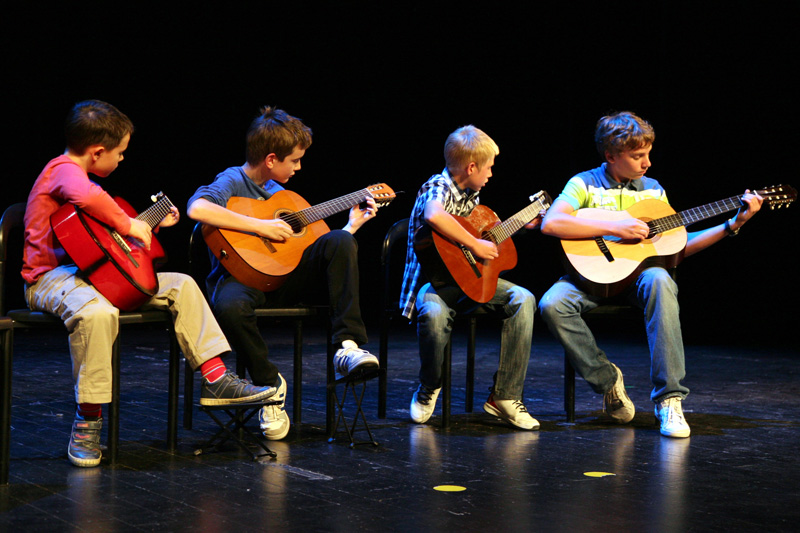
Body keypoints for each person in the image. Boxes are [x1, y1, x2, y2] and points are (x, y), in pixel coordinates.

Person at [22, 100, 275, 467]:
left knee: (181, 285)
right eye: (120, 153)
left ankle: (216, 377)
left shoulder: (81, 182)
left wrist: (148, 225)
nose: (123, 159)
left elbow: (100, 245)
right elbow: (91, 198)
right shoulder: (63, 171)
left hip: (92, 275)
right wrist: (130, 224)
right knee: (98, 313)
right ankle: (88, 420)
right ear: (97, 152)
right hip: (48, 279)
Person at [539, 111, 763, 438]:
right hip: (588, 279)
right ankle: (607, 380)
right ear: (611, 156)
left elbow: (678, 247)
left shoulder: (653, 191)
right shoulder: (583, 183)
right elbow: (552, 223)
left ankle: (669, 398)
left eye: (648, 153)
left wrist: (732, 225)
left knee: (660, 278)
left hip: (638, 279)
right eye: (637, 156)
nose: (647, 163)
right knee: (551, 304)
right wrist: (617, 225)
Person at [187, 106, 379, 442]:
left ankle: (347, 347)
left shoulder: (282, 195)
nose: (299, 167)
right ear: (271, 159)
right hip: (241, 279)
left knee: (340, 240)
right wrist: (261, 226)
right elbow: (197, 208)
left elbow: (315, 248)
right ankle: (269, 386)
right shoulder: (233, 180)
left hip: (285, 278)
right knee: (229, 305)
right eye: (295, 160)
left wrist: (351, 226)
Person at [400, 125, 539, 430]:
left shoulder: (472, 196)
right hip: (433, 284)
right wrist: (474, 244)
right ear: (472, 167)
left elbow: (487, 237)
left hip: (469, 284)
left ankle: (505, 396)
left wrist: (520, 225)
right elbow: (434, 215)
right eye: (489, 167)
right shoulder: (437, 186)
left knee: (523, 299)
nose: (491, 174)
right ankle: (429, 386)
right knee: (434, 314)